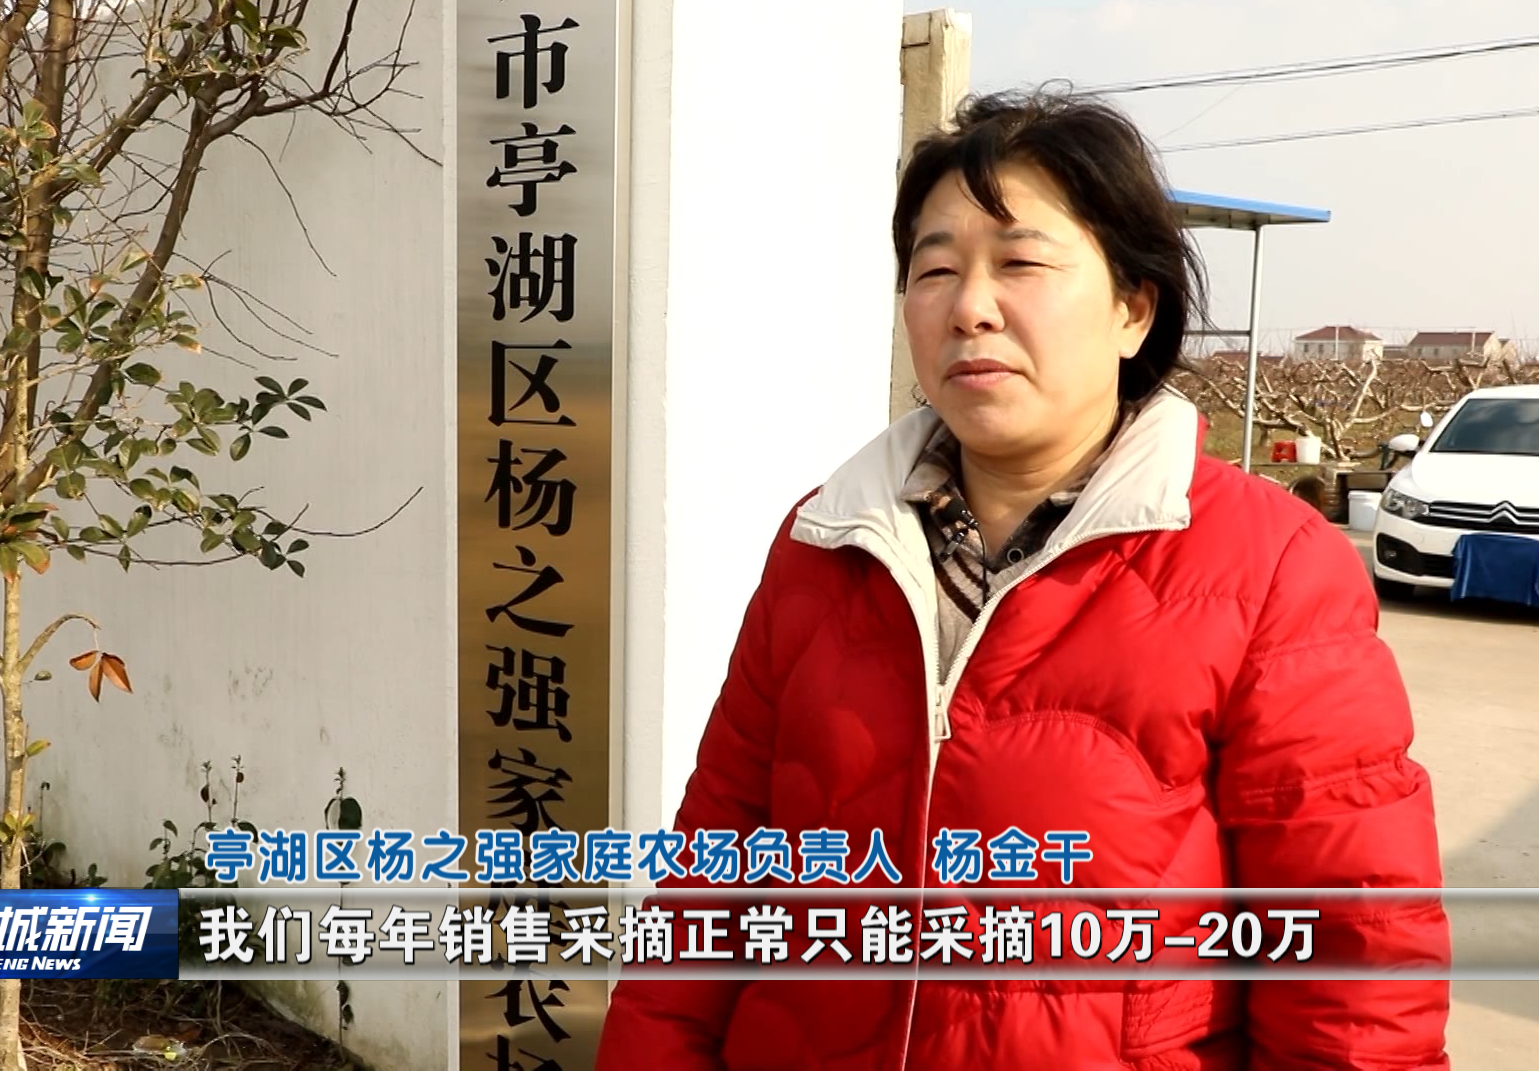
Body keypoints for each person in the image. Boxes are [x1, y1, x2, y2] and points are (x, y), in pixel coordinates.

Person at [595, 86, 1450, 1070]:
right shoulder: (825, 542)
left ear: (1134, 308)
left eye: (1021, 263)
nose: (970, 307)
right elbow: (711, 882)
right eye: (936, 269)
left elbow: (1351, 961)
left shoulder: (1270, 568)